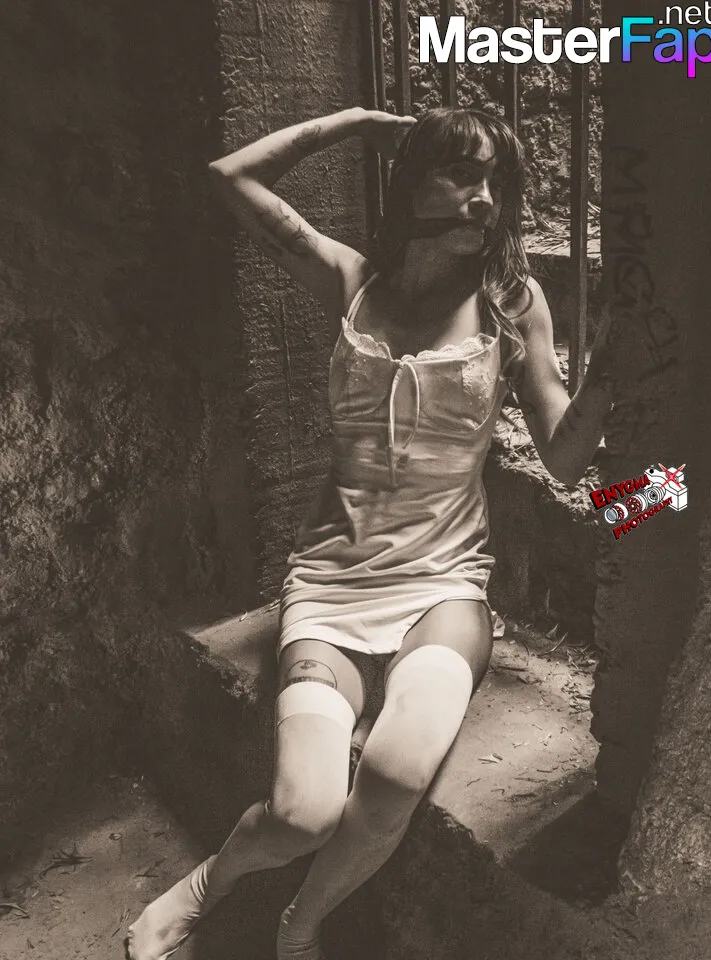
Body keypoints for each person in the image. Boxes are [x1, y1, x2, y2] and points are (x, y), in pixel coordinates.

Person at [126, 105, 614, 960]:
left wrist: (610, 370)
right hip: (329, 585)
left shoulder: (512, 304)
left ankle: (301, 925)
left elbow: (567, 462)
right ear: (412, 177)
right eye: (461, 173)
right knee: (302, 813)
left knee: (390, 777)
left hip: (444, 588)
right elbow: (229, 178)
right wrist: (353, 122)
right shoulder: (353, 283)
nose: (483, 198)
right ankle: (207, 884)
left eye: (496, 181)